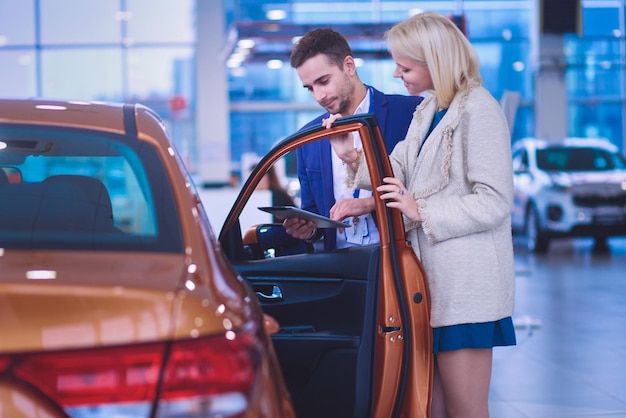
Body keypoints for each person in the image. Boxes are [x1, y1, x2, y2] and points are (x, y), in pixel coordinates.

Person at [326, 12, 516, 418]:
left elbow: (495, 200)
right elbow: (397, 171)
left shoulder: (479, 110)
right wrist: (352, 157)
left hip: (467, 291)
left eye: (405, 66)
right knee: (435, 407)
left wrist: (420, 209)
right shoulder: (428, 109)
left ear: (437, 61)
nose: (396, 74)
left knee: (465, 408)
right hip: (432, 287)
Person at [283, 28, 422, 250]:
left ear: (349, 66)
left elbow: (428, 194)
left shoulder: (410, 114)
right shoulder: (308, 137)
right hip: (339, 269)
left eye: (324, 81)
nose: (319, 96)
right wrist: (308, 230)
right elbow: (313, 212)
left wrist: (370, 204)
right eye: (310, 88)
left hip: (398, 262)